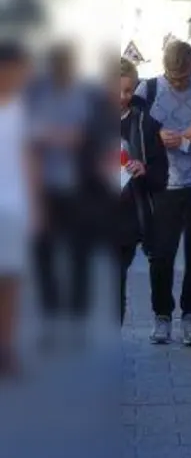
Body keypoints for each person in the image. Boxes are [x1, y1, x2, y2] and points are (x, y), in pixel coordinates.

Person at [143, 41, 191, 347]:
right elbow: (130, 128)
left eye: (183, 77)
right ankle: (162, 316)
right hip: (164, 184)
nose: (179, 82)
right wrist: (156, 135)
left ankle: (190, 316)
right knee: (161, 254)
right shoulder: (147, 90)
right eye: (174, 78)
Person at [26, 44, 97, 346]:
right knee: (44, 259)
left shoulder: (82, 96)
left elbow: (83, 136)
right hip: (45, 190)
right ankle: (51, 323)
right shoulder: (38, 95)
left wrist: (53, 134)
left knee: (79, 257)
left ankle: (77, 324)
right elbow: (30, 137)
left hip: (78, 191)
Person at [117, 58, 168, 325]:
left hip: (126, 219)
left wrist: (144, 168)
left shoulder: (145, 124)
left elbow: (161, 175)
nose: (123, 97)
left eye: (128, 91)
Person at [0, 42, 37, 377]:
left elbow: (30, 160)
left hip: (15, 206)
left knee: (11, 281)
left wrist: (37, 207)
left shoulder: (22, 110)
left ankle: (6, 349)